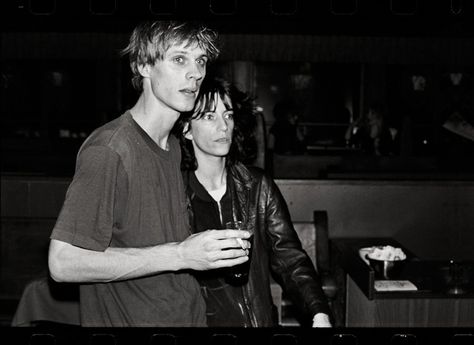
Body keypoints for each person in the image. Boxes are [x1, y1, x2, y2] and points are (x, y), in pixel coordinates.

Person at [47, 21, 252, 327]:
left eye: (201, 61)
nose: (195, 73)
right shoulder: (111, 149)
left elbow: (152, 237)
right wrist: (180, 255)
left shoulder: (171, 146)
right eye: (179, 59)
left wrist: (199, 249)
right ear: (143, 65)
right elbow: (63, 263)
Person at [175, 77, 332, 327]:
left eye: (227, 115)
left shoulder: (257, 185)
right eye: (208, 117)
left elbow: (290, 259)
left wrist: (318, 312)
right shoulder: (174, 193)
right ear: (186, 129)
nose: (223, 126)